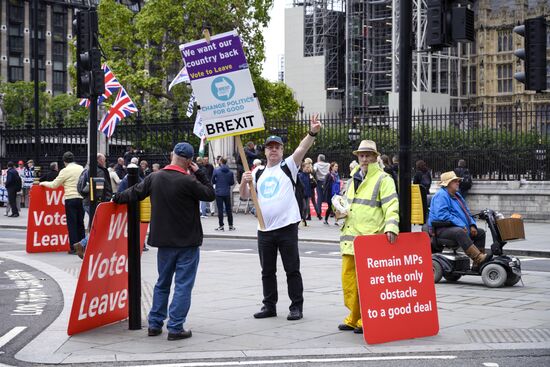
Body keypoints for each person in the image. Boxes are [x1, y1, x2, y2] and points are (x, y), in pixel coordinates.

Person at [113, 142, 215, 341]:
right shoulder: (189, 182)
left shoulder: (155, 177)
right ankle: (175, 327)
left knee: (162, 283)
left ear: (172, 156)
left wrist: (116, 198)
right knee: (183, 285)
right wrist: (200, 172)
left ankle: (155, 323)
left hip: (164, 242)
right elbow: (210, 194)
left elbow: (134, 192)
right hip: (187, 242)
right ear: (189, 161)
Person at [240, 115, 322, 321]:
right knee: (267, 271)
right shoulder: (257, 172)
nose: (273, 150)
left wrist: (312, 132)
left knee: (291, 269)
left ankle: (296, 306)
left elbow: (302, 149)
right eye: (270, 147)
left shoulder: (288, 166)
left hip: (286, 227)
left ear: (282, 150)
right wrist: (243, 181)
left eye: (277, 147)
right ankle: (269, 305)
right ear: (265, 151)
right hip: (264, 229)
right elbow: (244, 196)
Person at [337, 140, 399, 334]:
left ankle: (366, 318)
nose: (364, 159)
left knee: (367, 283)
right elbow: (348, 203)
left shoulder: (383, 179)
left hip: (370, 238)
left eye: (367, 155)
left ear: (375, 157)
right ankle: (353, 317)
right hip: (351, 236)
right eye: (361, 155)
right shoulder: (353, 177)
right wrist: (338, 208)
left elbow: (391, 204)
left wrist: (391, 226)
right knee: (349, 281)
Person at [428, 171, 489, 268]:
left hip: (457, 227)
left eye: (458, 181)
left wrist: (472, 225)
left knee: (480, 233)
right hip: (441, 229)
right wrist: (461, 225)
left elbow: (467, 212)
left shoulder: (457, 195)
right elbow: (442, 215)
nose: (458, 183)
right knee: (459, 232)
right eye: (455, 181)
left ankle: (478, 265)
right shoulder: (441, 195)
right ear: (447, 184)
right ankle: (478, 257)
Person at [39, 152, 85, 255]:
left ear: (64, 161)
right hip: (81, 198)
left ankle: (74, 248)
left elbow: (54, 185)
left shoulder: (65, 171)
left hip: (70, 198)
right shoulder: (81, 168)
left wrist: (42, 183)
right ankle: (83, 246)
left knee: (72, 224)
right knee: (80, 223)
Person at [73, 153, 114, 259]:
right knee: (98, 226)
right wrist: (101, 202)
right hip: (95, 203)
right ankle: (82, 244)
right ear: (99, 160)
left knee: (94, 225)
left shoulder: (87, 169)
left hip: (87, 201)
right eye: (103, 160)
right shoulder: (98, 171)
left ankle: (89, 247)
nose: (105, 162)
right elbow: (99, 188)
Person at [212, 157, 235, 231]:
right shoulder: (230, 172)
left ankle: (221, 225)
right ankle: (230, 225)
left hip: (219, 192)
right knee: (229, 210)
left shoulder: (216, 170)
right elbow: (232, 182)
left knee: (220, 210)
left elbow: (212, 180)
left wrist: (217, 182)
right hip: (227, 192)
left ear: (221, 162)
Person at [313, 154, 330, 220]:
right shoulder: (328, 165)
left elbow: (314, 171)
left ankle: (319, 212)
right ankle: (330, 211)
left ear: (319, 159)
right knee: (327, 196)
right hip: (326, 182)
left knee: (319, 197)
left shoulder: (316, 164)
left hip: (319, 181)